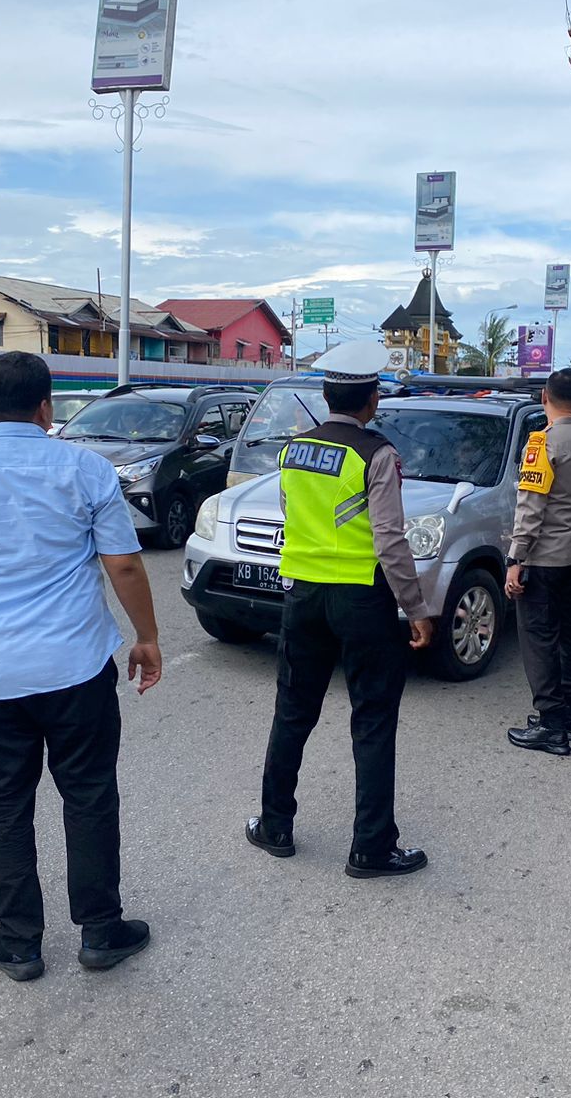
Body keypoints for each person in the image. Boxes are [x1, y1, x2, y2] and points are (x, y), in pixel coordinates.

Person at [0, 350, 163, 981]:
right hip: (77, 669)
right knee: (91, 796)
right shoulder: (87, 469)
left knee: (3, 805)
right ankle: (100, 932)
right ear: (47, 409)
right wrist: (147, 637)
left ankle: (19, 941)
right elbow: (123, 564)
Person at [246, 341, 436, 879]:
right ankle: (370, 849)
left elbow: (291, 514)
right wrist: (416, 608)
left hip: (302, 594)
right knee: (372, 721)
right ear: (372, 399)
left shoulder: (294, 450)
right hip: (361, 597)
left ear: (327, 394)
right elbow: (390, 541)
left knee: (292, 711)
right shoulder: (376, 454)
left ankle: (274, 825)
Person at [503, 368, 571, 755]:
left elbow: (530, 509)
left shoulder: (541, 443)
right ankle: (569, 715)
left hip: (544, 558)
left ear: (544, 396)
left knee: (538, 640)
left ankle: (550, 725)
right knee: (568, 633)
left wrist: (515, 558)